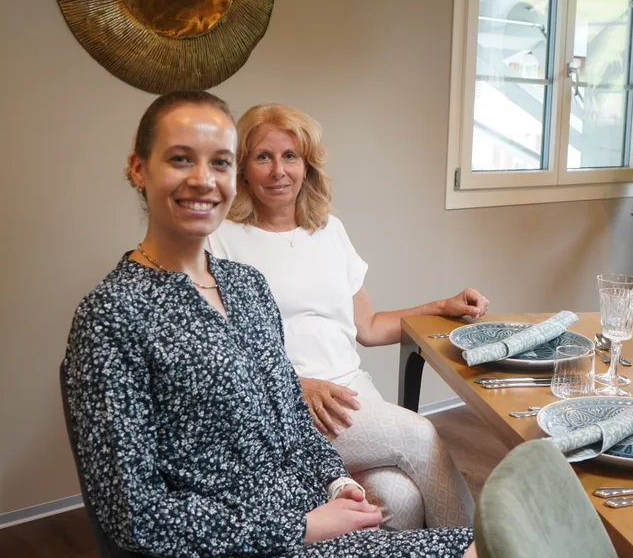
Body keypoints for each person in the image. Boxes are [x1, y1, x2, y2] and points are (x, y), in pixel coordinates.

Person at [62, 91, 490, 558]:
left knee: (497, 554)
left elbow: (291, 421)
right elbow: (135, 515)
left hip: (308, 521)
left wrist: (337, 484)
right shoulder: (114, 314)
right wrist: (303, 528)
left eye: (218, 162)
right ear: (138, 169)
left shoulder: (245, 288)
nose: (203, 178)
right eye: (180, 158)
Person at [206, 103, 483, 531]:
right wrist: (295, 385)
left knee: (398, 499)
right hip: (292, 407)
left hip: (355, 395)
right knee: (421, 436)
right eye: (263, 157)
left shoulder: (328, 230)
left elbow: (368, 328)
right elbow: (219, 355)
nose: (278, 170)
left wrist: (440, 306)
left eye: (290, 156)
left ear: (307, 166)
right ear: (242, 168)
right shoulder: (222, 241)